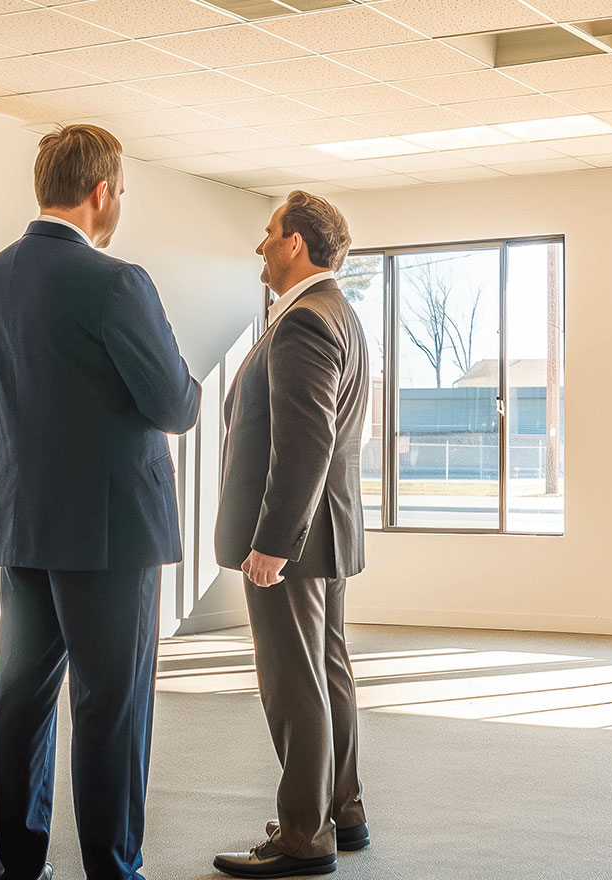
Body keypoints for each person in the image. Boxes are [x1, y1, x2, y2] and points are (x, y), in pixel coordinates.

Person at [0, 123, 199, 880]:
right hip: (112, 535)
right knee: (111, 707)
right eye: (121, 191)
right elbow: (175, 403)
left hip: (25, 523)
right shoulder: (118, 283)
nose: (119, 202)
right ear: (101, 193)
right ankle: (112, 871)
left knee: (18, 700)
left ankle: (17, 868)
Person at [210, 191, 371, 879]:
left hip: (293, 542)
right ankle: (345, 809)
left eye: (269, 234)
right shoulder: (337, 312)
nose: (260, 247)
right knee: (326, 671)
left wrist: (273, 542)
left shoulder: (305, 320)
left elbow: (305, 442)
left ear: (297, 243)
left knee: (293, 680)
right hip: (326, 533)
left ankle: (305, 836)